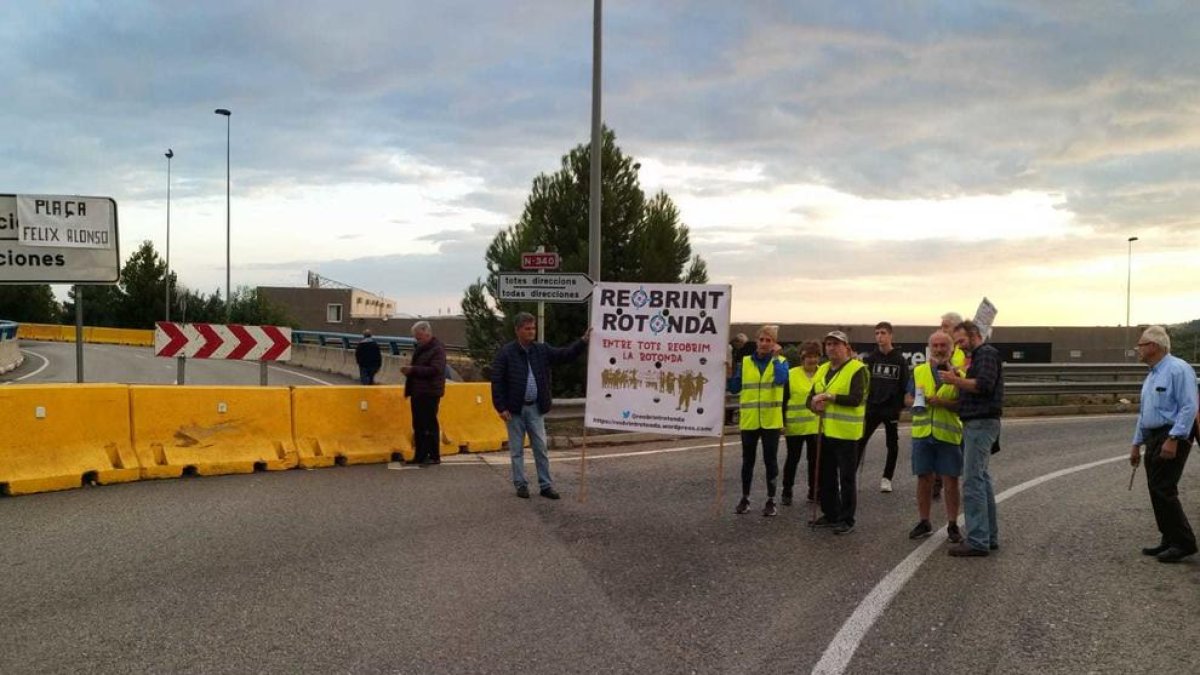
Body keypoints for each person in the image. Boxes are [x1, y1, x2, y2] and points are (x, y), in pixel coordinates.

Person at [491, 312, 590, 500]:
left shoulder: (541, 350)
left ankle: (545, 485)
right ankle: (521, 484)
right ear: (517, 330)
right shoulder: (506, 353)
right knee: (517, 450)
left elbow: (564, 355)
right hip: (514, 410)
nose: (531, 332)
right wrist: (500, 407)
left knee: (540, 448)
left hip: (535, 408)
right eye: (527, 328)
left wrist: (583, 341)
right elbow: (497, 380)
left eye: (533, 328)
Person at [1129, 325, 1198, 563]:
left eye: (1141, 345)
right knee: (1155, 488)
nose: (1138, 349)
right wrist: (1136, 444)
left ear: (1153, 346)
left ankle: (1184, 542)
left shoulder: (1178, 369)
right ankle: (1169, 538)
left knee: (1164, 488)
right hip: (1153, 436)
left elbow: (1189, 406)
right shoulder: (1152, 375)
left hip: (1171, 435)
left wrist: (1174, 438)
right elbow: (1145, 414)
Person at [941, 320, 1003, 557]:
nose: (959, 346)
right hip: (979, 423)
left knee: (973, 481)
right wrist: (962, 376)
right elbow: (979, 383)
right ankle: (988, 536)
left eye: (961, 341)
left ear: (974, 334)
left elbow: (984, 385)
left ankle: (978, 540)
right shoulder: (980, 356)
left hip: (980, 423)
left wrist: (956, 380)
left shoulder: (985, 353)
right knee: (981, 479)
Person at [905, 331, 964, 543]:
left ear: (951, 349)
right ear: (930, 348)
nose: (939, 349)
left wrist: (943, 403)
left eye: (943, 346)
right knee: (923, 478)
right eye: (935, 346)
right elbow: (907, 397)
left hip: (948, 434)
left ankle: (952, 524)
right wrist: (916, 402)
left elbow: (964, 405)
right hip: (922, 434)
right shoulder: (919, 371)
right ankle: (924, 521)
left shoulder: (959, 375)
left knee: (950, 480)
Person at [807, 330, 868, 535]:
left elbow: (856, 398)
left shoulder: (857, 369)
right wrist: (814, 405)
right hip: (825, 430)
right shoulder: (822, 369)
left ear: (846, 348)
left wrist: (830, 397)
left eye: (836, 344)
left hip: (847, 433)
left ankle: (847, 518)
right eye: (829, 344)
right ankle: (830, 513)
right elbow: (811, 397)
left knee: (846, 477)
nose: (832, 348)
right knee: (826, 476)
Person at [728, 325, 788, 516]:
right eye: (761, 339)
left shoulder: (781, 362)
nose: (764, 343)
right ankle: (745, 498)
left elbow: (781, 380)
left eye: (768, 340)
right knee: (748, 461)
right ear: (756, 341)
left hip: (770, 421)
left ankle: (771, 499)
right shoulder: (745, 362)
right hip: (750, 420)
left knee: (770, 461)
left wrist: (776, 358)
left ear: (775, 343)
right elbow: (735, 388)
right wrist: (729, 371)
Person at [859, 321, 909, 493]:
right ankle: (849, 476)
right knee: (860, 441)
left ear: (890, 335)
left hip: (891, 409)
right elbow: (865, 383)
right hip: (873, 407)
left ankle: (887, 478)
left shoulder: (900, 360)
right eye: (877, 333)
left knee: (892, 444)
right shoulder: (871, 359)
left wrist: (898, 407)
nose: (879, 337)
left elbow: (904, 385)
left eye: (883, 333)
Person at [782, 340, 822, 505]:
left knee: (815, 461)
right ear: (802, 357)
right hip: (795, 426)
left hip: (816, 426)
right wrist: (782, 422)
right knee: (793, 459)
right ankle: (787, 492)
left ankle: (814, 491)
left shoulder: (824, 373)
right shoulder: (791, 374)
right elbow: (784, 400)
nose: (811, 360)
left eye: (815, 356)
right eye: (808, 356)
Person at [401, 321, 446, 466]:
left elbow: (436, 370)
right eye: (416, 338)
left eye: (419, 337)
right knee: (418, 425)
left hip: (430, 392)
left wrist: (413, 370)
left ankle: (433, 456)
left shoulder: (437, 349)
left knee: (429, 424)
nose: (417, 340)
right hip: (418, 391)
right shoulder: (422, 348)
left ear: (427, 333)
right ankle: (420, 455)